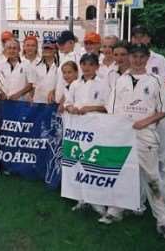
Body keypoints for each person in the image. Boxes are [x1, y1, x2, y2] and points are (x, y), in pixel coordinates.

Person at [103, 44, 165, 240]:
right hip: (123, 134)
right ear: (129, 58)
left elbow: (164, 110)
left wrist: (144, 121)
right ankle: (116, 209)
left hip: (146, 134)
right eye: (133, 56)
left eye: (140, 57)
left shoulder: (155, 80)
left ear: (146, 58)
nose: (136, 60)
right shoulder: (121, 80)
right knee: (121, 172)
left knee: (152, 177)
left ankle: (163, 220)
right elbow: (111, 109)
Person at [64, 53, 108, 216]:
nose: (87, 68)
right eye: (84, 64)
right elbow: (67, 102)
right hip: (78, 130)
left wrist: (90, 108)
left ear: (97, 66)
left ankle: (97, 200)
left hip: (96, 129)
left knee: (94, 162)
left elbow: (108, 107)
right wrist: (71, 108)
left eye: (91, 65)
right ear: (80, 66)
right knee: (79, 161)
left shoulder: (103, 84)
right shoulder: (75, 84)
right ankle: (81, 198)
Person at [131, 25, 165, 198]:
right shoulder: (130, 59)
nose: (139, 40)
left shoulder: (159, 59)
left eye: (142, 36)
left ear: (148, 38)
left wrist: (153, 108)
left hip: (157, 116)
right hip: (138, 118)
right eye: (135, 37)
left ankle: (161, 194)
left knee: (161, 157)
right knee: (139, 158)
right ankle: (139, 196)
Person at [32, 36, 59, 103]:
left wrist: (54, 91)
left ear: (55, 50)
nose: (47, 50)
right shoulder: (35, 65)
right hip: (38, 103)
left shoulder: (60, 66)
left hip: (53, 103)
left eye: (50, 48)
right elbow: (33, 86)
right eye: (45, 48)